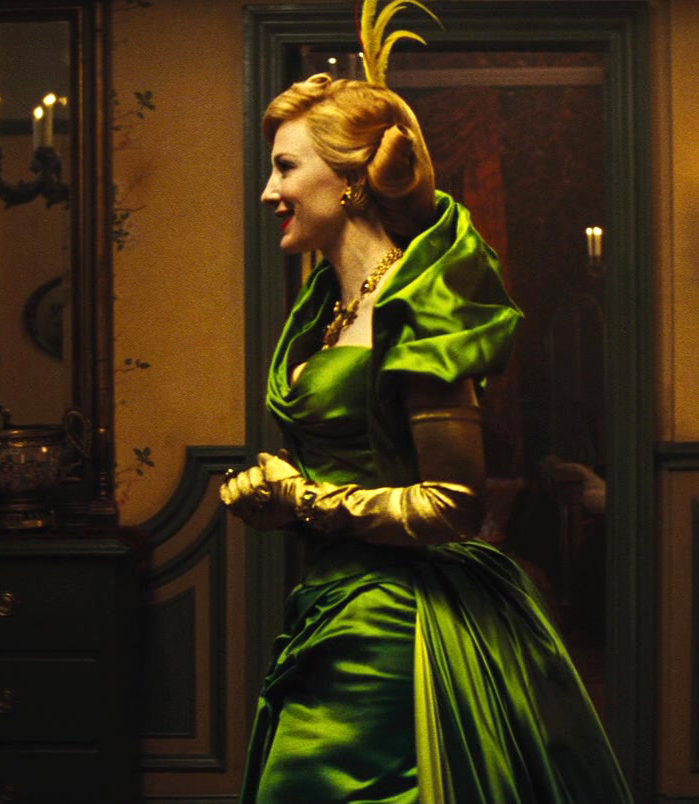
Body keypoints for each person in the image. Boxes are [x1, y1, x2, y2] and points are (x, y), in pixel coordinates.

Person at [221, 10, 633, 801]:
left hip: (393, 628)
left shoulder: (418, 308)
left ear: (349, 179)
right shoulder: (325, 312)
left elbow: (453, 503)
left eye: (284, 167)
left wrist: (302, 499)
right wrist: (273, 491)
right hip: (329, 606)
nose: (269, 190)